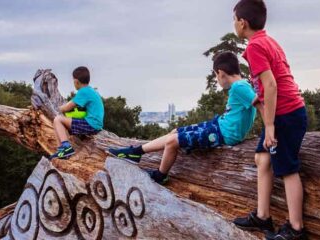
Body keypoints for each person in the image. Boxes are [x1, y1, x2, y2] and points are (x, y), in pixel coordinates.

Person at [108, 52, 257, 185]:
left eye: (216, 76)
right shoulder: (242, 85)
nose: (217, 80)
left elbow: (259, 102)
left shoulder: (239, 87)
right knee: (174, 132)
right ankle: (135, 151)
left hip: (222, 135)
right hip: (218, 126)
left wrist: (270, 128)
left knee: (172, 142)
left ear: (221, 73)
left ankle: (161, 175)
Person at [230, 1, 308, 239]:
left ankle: (296, 229)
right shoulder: (269, 41)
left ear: (242, 23)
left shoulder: (255, 46)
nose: (234, 24)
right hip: (284, 112)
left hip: (284, 114)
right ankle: (263, 217)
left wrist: (271, 125)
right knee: (262, 158)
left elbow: (271, 85)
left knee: (287, 169)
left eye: (234, 19)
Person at [50, 66, 104, 159]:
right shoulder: (90, 90)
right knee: (58, 122)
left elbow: (67, 107)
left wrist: (56, 108)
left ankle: (66, 147)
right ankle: (61, 151)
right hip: (96, 124)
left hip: (91, 124)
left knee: (57, 120)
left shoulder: (83, 92)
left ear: (76, 81)